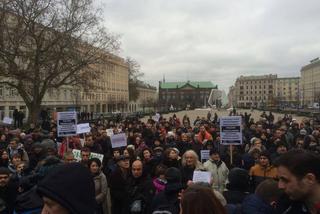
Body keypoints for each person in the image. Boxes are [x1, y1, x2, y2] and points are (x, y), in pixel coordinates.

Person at [275, 149, 320, 214]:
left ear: (310, 179)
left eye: (285, 180)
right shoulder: (285, 205)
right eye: (278, 179)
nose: (280, 186)